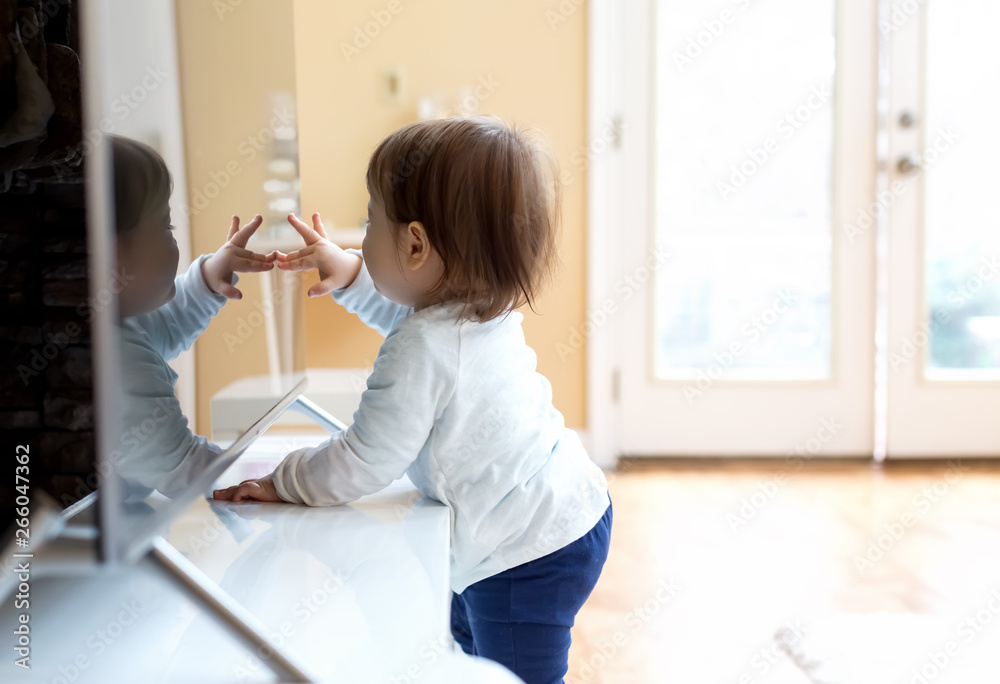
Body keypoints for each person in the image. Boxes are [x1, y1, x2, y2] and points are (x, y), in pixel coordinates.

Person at [212, 116, 612, 684]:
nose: (363, 233)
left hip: (527, 554)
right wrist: (350, 273)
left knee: (513, 675)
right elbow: (407, 313)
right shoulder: (475, 313)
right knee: (461, 649)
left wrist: (284, 481)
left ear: (416, 244)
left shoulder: (422, 347)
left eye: (371, 220)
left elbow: (365, 459)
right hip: (562, 509)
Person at [112, 135, 274, 498]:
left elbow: (168, 326)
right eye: (166, 228)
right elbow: (183, 466)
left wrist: (208, 279)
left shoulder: (122, 323)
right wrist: (276, 479)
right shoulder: (113, 358)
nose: (175, 242)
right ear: (113, 255)